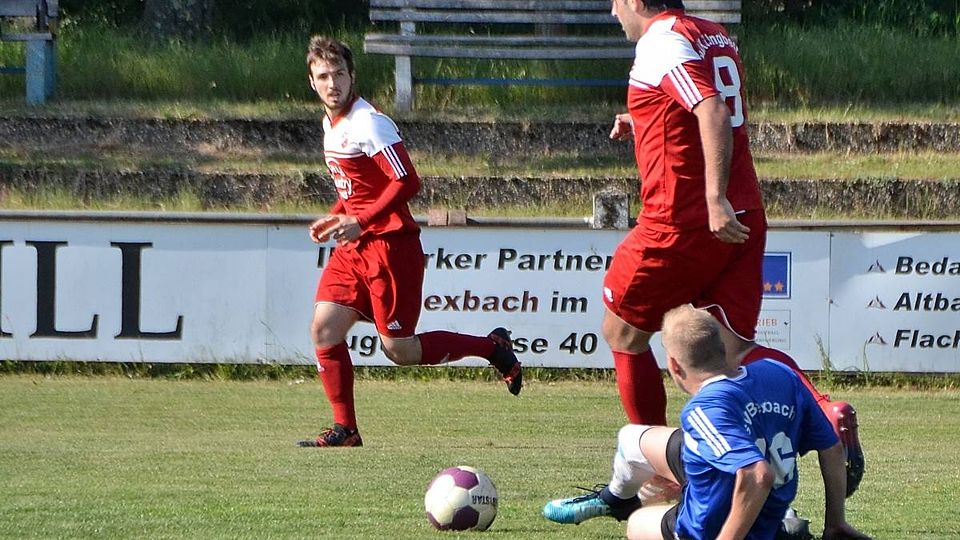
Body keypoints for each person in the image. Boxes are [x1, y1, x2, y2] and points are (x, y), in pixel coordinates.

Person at [601, 0, 864, 496]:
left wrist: (713, 198)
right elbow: (701, 105)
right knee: (732, 348)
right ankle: (825, 410)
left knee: (623, 332)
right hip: (745, 211)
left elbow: (713, 111)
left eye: (615, 1)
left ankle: (664, 469)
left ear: (636, 1)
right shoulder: (712, 33)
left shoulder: (661, 40)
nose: (613, 12)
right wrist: (644, 119)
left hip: (685, 219)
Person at [297, 36, 522, 448]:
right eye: (324, 77)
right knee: (324, 329)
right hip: (355, 248)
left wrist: (360, 220)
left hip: (390, 246)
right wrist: (336, 214)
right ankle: (346, 429)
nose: (332, 84)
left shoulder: (368, 123)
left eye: (339, 74)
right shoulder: (331, 124)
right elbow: (357, 188)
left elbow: (407, 181)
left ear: (352, 76)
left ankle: (492, 348)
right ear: (312, 82)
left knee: (399, 350)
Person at [543, 305, 871, 540]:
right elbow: (831, 447)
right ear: (723, 349)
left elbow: (757, 475)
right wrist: (835, 522)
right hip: (760, 497)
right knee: (631, 438)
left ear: (674, 366)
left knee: (638, 524)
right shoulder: (780, 374)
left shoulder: (703, 409)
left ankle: (777, 530)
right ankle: (614, 498)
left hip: (720, 523)